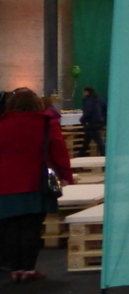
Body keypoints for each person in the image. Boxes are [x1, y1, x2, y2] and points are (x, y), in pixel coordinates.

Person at [0, 87, 74, 283]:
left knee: (11, 228)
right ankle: (28, 268)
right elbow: (59, 152)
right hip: (36, 183)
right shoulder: (46, 124)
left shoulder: (2, 124)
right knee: (32, 227)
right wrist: (66, 176)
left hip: (5, 185)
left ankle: (15, 269)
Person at [78, 86, 106, 157]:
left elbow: (88, 111)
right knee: (86, 141)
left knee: (98, 141)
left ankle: (104, 155)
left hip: (91, 123)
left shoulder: (89, 100)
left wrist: (82, 120)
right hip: (97, 122)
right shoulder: (99, 99)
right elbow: (104, 108)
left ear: (86, 92)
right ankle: (80, 155)